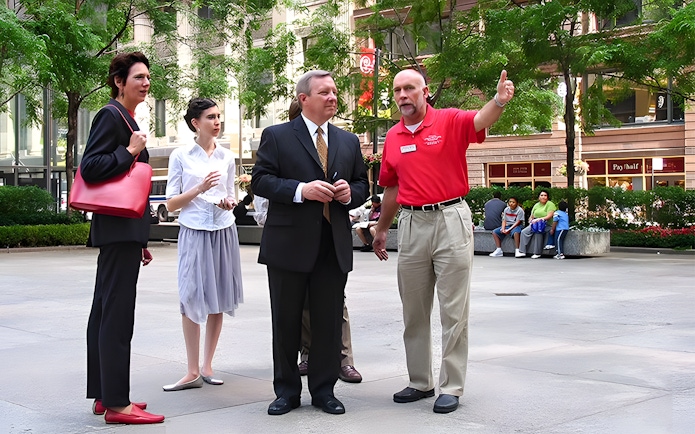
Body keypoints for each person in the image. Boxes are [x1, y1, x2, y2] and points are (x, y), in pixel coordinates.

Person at [372, 69, 514, 414]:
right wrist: (381, 228)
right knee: (414, 309)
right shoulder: (392, 136)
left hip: (450, 218)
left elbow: (481, 119)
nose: (403, 95)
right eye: (397, 90)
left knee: (454, 309)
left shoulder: (449, 121)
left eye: (410, 88)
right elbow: (391, 188)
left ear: (425, 92)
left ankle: (451, 385)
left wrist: (499, 101)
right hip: (410, 222)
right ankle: (419, 381)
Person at [251, 70, 369, 416]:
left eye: (334, 92)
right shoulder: (277, 136)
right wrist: (301, 191)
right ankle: (286, 392)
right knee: (285, 322)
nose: (333, 97)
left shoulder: (347, 141)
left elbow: (363, 184)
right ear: (304, 99)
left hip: (332, 245)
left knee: (329, 322)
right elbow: (261, 181)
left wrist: (351, 193)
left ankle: (323, 390)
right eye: (324, 92)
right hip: (288, 246)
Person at [82, 51, 164, 424]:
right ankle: (117, 403)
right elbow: (92, 166)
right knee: (116, 315)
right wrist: (128, 151)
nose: (146, 83)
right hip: (116, 231)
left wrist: (141, 237)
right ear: (119, 81)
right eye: (139, 77)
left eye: (148, 77)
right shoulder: (111, 116)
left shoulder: (126, 117)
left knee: (106, 309)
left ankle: (105, 394)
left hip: (123, 231)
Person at [162, 98, 244, 391]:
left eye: (219, 116)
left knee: (218, 295)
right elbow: (171, 203)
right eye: (211, 117)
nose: (217, 121)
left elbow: (230, 196)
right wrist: (200, 188)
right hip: (194, 229)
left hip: (223, 229)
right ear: (196, 123)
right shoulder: (181, 156)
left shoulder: (226, 157)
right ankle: (191, 370)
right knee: (191, 295)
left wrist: (228, 202)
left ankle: (207, 366)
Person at [518, 189, 556, 259]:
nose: (543, 197)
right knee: (524, 232)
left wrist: (540, 219)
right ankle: (522, 251)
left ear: (547, 197)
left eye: (545, 195)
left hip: (546, 225)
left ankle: (537, 253)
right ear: (539, 197)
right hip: (535, 224)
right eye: (541, 195)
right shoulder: (536, 205)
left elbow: (549, 216)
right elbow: (532, 216)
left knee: (538, 231)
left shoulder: (550, 204)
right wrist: (531, 221)